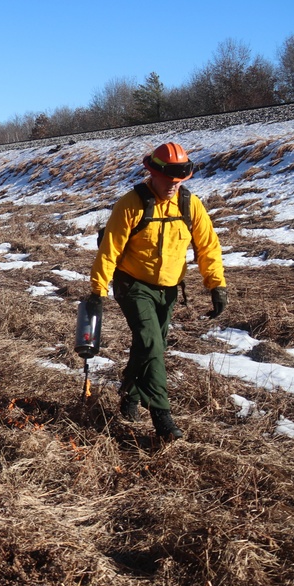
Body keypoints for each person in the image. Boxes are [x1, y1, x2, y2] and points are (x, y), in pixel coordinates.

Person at [88, 142, 227, 441]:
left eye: (179, 182)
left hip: (169, 289)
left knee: (151, 346)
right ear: (152, 173)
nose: (172, 187)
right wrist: (98, 291)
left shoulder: (190, 205)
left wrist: (216, 285)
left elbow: (208, 246)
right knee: (151, 344)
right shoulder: (131, 203)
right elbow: (109, 250)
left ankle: (129, 394)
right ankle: (162, 416)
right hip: (133, 284)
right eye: (168, 181)